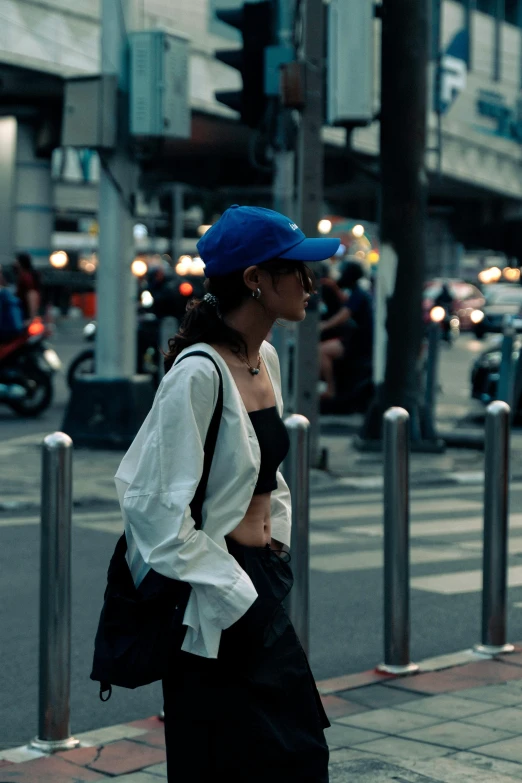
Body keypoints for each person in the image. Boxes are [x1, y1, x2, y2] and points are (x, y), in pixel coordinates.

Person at [114, 205, 340, 783]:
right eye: (296, 270)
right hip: (213, 589)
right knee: (227, 756)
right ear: (255, 279)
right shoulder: (198, 373)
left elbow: (265, 472)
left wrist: (275, 544)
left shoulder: (263, 359)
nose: (311, 285)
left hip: (258, 576)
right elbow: (150, 504)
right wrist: (233, 586)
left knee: (289, 750)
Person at [319, 261, 373, 398]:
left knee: (320, 351)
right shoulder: (356, 293)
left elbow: (342, 316)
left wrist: (323, 326)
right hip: (355, 340)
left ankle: (330, 389)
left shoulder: (358, 295)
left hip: (358, 344)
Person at [14, 252, 41, 321]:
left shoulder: (26, 277)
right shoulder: (24, 276)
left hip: (25, 314)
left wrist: (32, 317)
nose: (14, 263)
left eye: (16, 261)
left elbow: (32, 294)